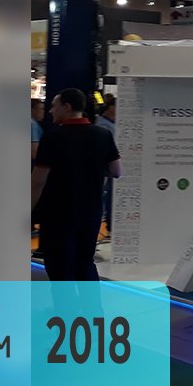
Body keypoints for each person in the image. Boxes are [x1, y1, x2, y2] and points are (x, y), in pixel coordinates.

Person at [32, 88, 121, 282]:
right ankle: (91, 302)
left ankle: (64, 302)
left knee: (58, 264)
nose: (50, 111)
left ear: (66, 107)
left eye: (54, 106)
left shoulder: (52, 137)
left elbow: (38, 180)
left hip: (58, 212)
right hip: (91, 210)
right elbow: (116, 171)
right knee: (85, 262)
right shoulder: (103, 134)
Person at [97, 95, 117, 237]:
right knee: (106, 197)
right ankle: (109, 226)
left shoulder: (112, 123)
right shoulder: (103, 125)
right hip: (105, 168)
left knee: (110, 196)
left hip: (111, 167)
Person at [31, 98, 44, 163]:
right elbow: (34, 152)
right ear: (32, 110)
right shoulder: (32, 125)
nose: (43, 112)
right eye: (41, 109)